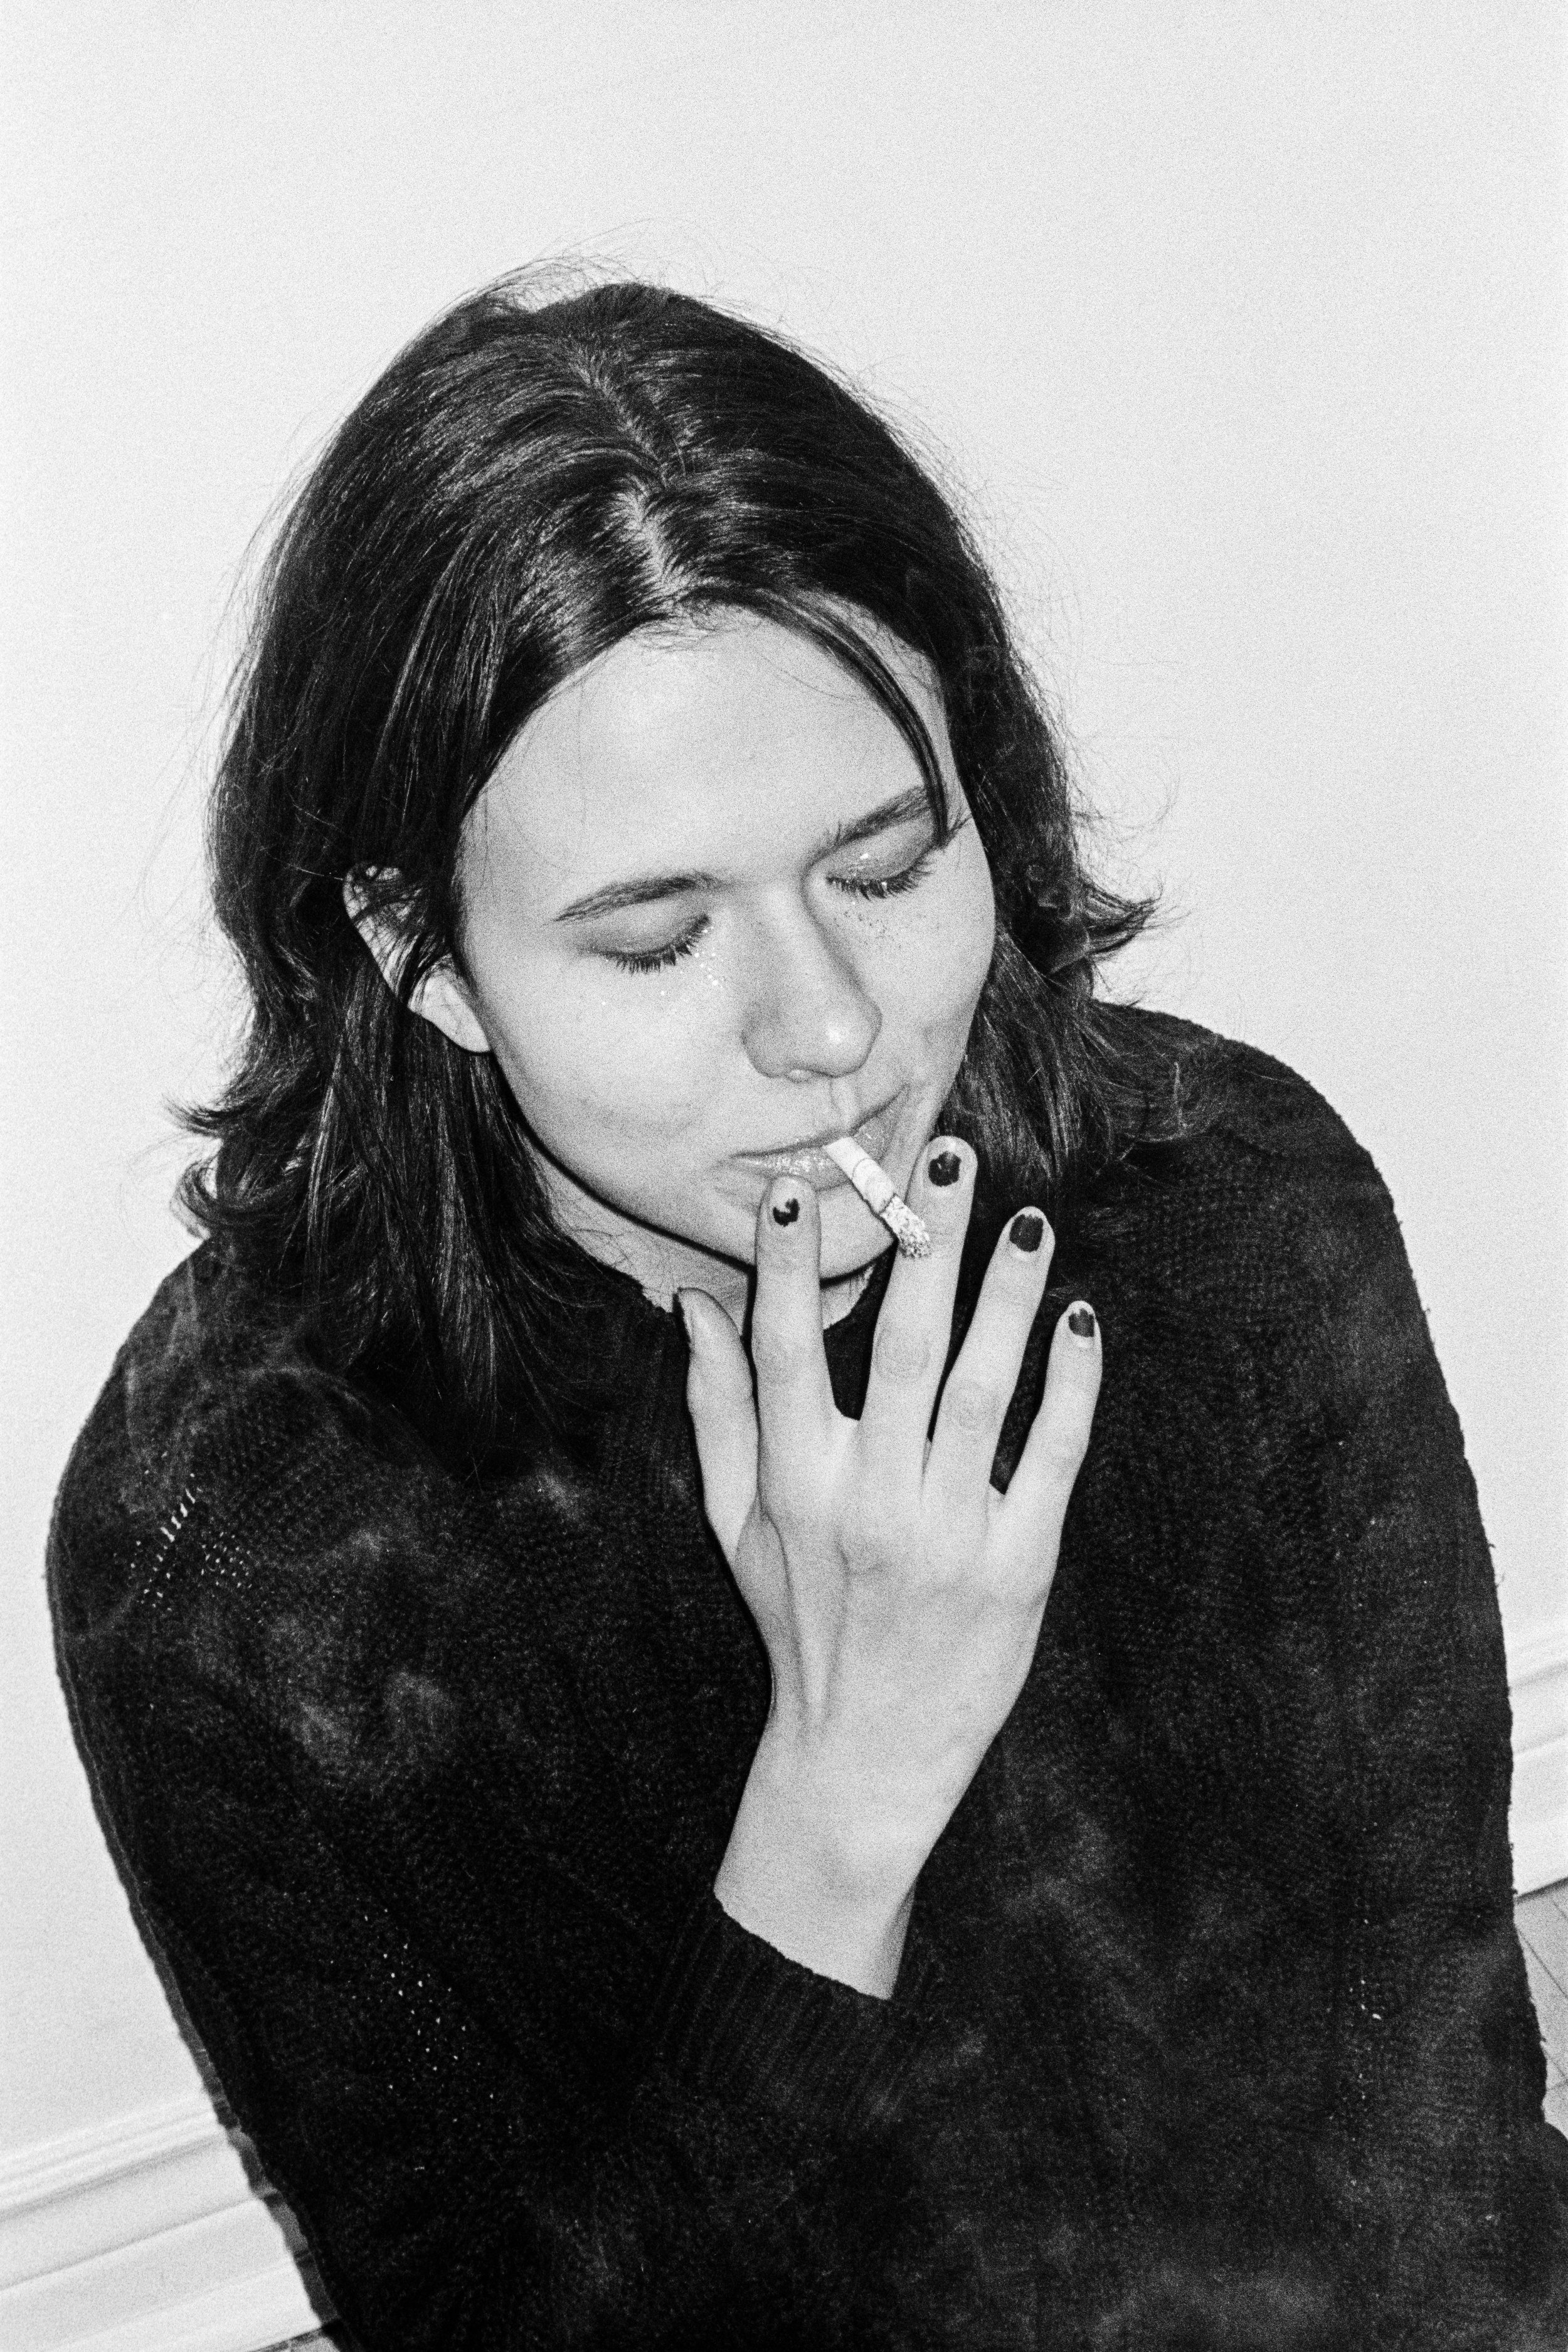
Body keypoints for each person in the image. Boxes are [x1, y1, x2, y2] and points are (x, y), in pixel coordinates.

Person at [49, 274, 1567, 2351]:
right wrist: (840, 1799)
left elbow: (1433, 2103)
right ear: (422, 955)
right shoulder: (249, 1551)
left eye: (881, 868)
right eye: (656, 942)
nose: (833, 1029)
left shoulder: (1215, 1210)